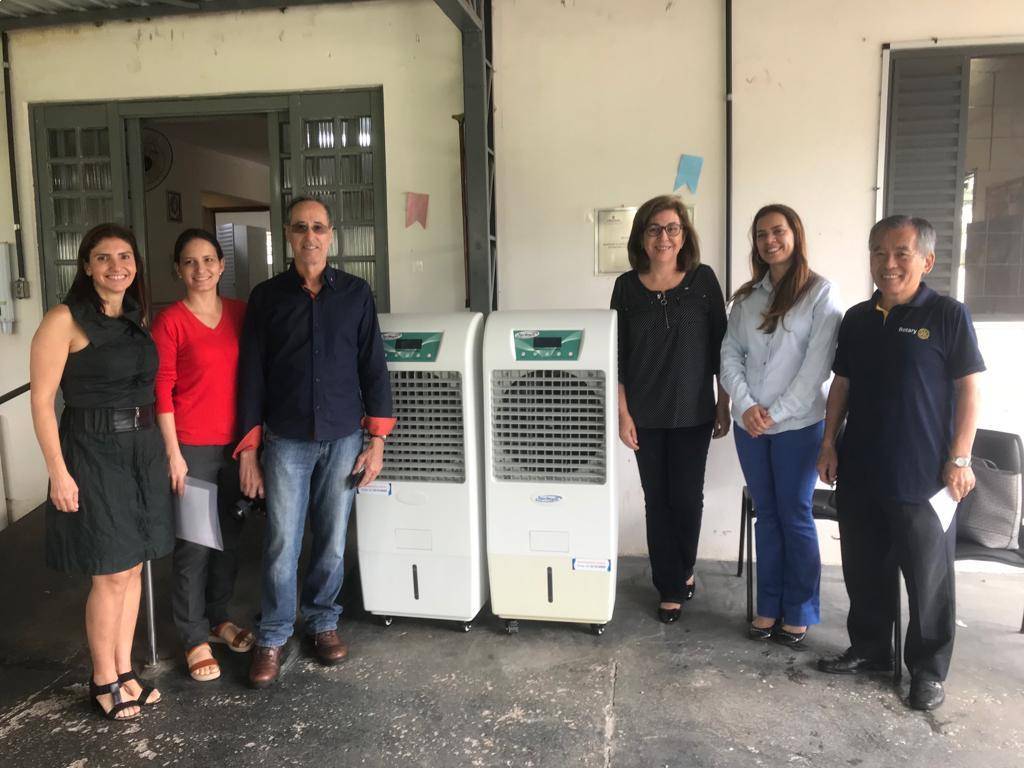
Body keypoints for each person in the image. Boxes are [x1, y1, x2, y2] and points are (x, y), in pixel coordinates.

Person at [816, 215, 984, 711]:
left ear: (926, 261)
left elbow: (969, 389)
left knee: (929, 580)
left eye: (901, 253)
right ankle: (870, 649)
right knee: (864, 569)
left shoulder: (948, 315)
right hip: (861, 469)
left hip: (923, 476)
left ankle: (928, 671)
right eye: (878, 252)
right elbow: (842, 385)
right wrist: (829, 444)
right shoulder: (857, 319)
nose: (887, 263)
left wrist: (961, 457)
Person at [236, 196, 395, 688]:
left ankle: (323, 621)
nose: (310, 236)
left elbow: (373, 366)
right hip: (286, 439)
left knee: (331, 539)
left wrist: (377, 439)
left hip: (344, 436)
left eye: (319, 227)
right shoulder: (267, 297)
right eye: (301, 227)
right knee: (282, 541)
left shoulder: (355, 293)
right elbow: (251, 375)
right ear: (288, 234)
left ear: (331, 235)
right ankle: (274, 634)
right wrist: (249, 450)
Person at [30, 223, 173, 721]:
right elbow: (42, 402)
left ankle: (125, 670)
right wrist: (58, 471)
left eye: (125, 257)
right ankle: (102, 679)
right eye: (104, 257)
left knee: (133, 566)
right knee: (110, 571)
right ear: (87, 266)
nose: (117, 266)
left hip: (141, 448)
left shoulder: (134, 316)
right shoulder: (64, 319)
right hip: (92, 449)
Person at [720, 204, 842, 645]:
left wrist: (777, 412)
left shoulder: (820, 293)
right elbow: (729, 354)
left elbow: (817, 367)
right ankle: (768, 605)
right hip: (750, 427)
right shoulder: (747, 298)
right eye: (761, 234)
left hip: (799, 426)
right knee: (767, 516)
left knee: (794, 514)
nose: (769, 240)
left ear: (795, 234)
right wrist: (746, 405)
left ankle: (800, 609)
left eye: (777, 231)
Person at [610, 194, 730, 624]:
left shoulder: (703, 279)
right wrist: (623, 414)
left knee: (686, 498)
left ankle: (684, 568)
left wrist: (723, 402)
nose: (664, 237)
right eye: (654, 229)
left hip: (693, 411)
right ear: (642, 237)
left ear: (684, 235)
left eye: (672, 228)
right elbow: (615, 355)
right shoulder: (626, 287)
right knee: (656, 500)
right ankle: (670, 586)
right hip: (645, 414)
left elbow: (722, 348)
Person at [152, 229, 254, 683]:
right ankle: (193, 636)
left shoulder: (240, 313)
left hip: (236, 448)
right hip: (191, 447)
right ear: (179, 269)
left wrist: (253, 445)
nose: (201, 269)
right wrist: (173, 454)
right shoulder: (170, 321)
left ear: (221, 265)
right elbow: (162, 390)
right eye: (190, 262)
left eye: (209, 260)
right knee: (194, 545)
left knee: (228, 539)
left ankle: (218, 618)